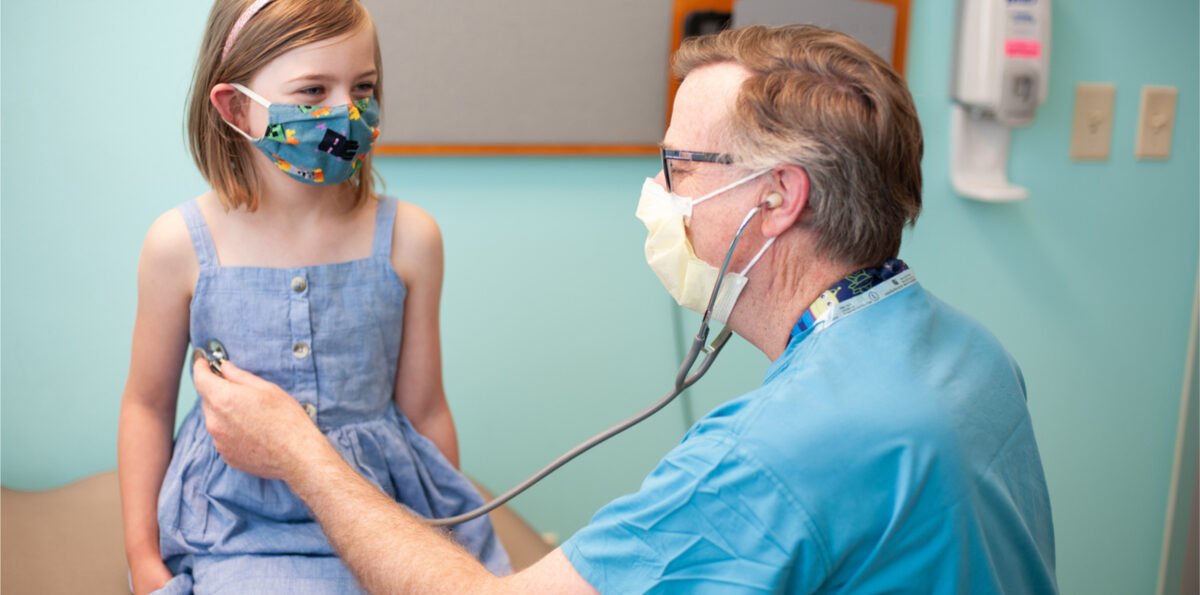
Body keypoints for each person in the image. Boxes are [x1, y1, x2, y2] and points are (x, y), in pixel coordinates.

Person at [192, 24, 1058, 593]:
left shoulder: (772, 456)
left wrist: (299, 452)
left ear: (776, 198)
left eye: (680, 167)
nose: (659, 194)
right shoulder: (972, 354)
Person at [116, 1, 511, 593]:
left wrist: (441, 551)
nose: (343, 112)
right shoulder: (179, 246)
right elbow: (146, 406)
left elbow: (427, 410)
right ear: (236, 107)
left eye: (363, 87)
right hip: (237, 528)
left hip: (380, 512)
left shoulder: (411, 239)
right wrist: (142, 557)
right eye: (311, 92)